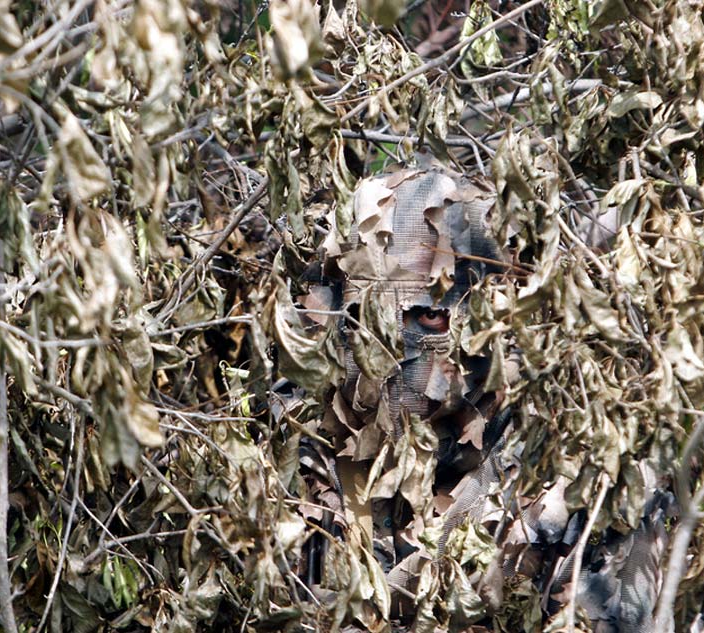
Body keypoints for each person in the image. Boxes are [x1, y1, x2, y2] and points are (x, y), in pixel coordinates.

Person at [271, 159, 674, 632]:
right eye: (366, 319)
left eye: (428, 320)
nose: (389, 350)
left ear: (494, 321)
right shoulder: (294, 438)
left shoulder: (582, 479)